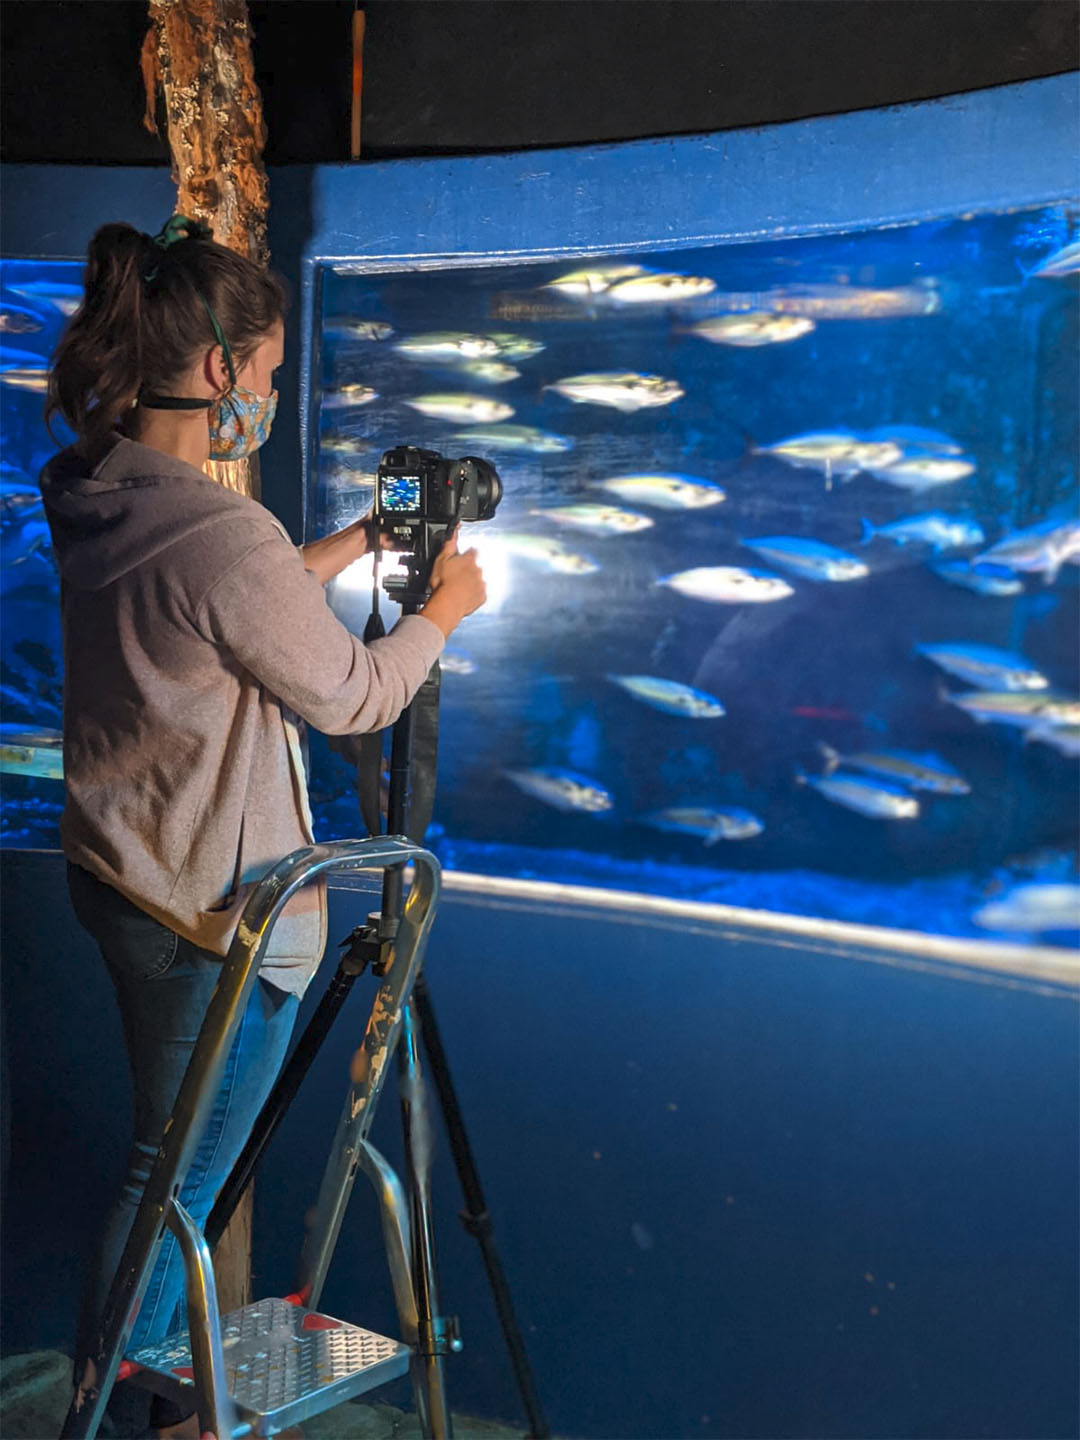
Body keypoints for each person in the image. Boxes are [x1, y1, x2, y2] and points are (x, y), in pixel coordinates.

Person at [39, 215, 486, 1439]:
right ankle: (114, 1404)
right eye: (274, 371)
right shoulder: (219, 537)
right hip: (205, 906)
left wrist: (345, 547)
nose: (276, 393)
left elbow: (213, 601)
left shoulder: (96, 481)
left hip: (122, 868)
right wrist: (442, 608)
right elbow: (352, 691)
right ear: (225, 368)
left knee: (164, 1159)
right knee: (176, 1176)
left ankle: (156, 1396)